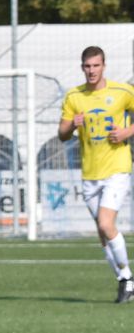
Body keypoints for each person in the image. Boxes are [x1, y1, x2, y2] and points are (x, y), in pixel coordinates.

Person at [58, 46, 134, 303]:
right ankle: (125, 282)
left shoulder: (122, 91)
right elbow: (62, 134)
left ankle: (127, 278)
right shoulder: (74, 96)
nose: (91, 71)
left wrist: (127, 132)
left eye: (96, 66)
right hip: (90, 172)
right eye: (87, 66)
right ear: (82, 68)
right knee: (103, 234)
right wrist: (71, 125)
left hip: (117, 167)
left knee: (105, 223)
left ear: (104, 66)